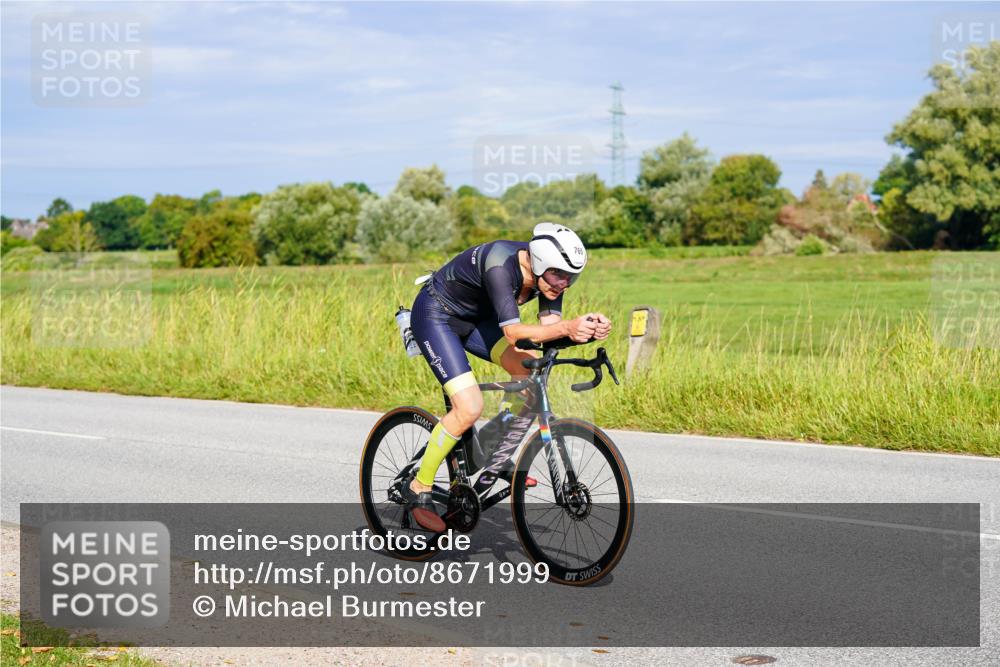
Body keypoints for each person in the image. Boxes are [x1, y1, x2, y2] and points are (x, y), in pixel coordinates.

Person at [401, 222, 611, 531]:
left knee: (529, 372)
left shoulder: (550, 278)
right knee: (469, 407)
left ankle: (493, 452)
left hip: (476, 321)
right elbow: (513, 332)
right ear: (538, 263)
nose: (563, 284)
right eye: (558, 275)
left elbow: (548, 331)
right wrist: (567, 327)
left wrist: (586, 332)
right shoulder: (500, 263)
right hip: (437, 315)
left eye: (571, 277)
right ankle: (418, 487)